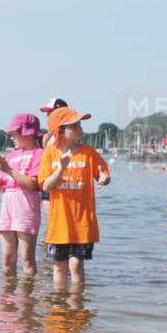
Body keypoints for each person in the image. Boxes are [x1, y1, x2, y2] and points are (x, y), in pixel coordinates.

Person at [37, 107, 110, 289]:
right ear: (60, 130)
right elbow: (46, 186)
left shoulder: (88, 152)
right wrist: (61, 168)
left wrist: (104, 179)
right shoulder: (50, 154)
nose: (80, 128)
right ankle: (59, 307)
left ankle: (77, 307)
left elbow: (103, 175)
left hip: (82, 221)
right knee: (60, 266)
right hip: (59, 223)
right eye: (74, 125)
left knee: (76, 264)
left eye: (80, 124)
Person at [0, 113, 44, 275]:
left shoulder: (39, 154)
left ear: (28, 133)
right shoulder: (12, 155)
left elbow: (33, 184)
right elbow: (2, 186)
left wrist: (7, 169)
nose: (12, 138)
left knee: (27, 259)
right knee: (7, 259)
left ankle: (26, 298)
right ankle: (7, 296)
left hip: (26, 207)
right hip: (8, 207)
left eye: (14, 134)